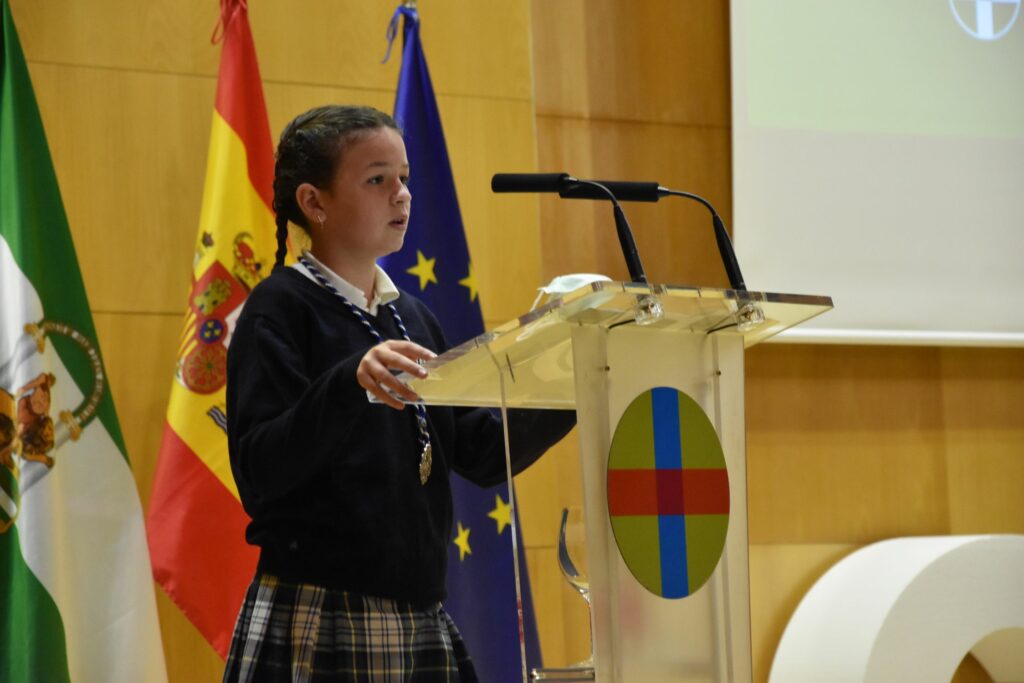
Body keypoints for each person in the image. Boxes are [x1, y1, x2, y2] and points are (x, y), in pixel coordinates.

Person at [223, 105, 575, 682]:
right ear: (314, 202)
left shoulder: (412, 316)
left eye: (405, 178)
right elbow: (261, 473)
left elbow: (482, 452)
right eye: (376, 179)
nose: (402, 195)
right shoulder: (278, 309)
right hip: (321, 611)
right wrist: (348, 384)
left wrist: (573, 384)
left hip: (418, 615)